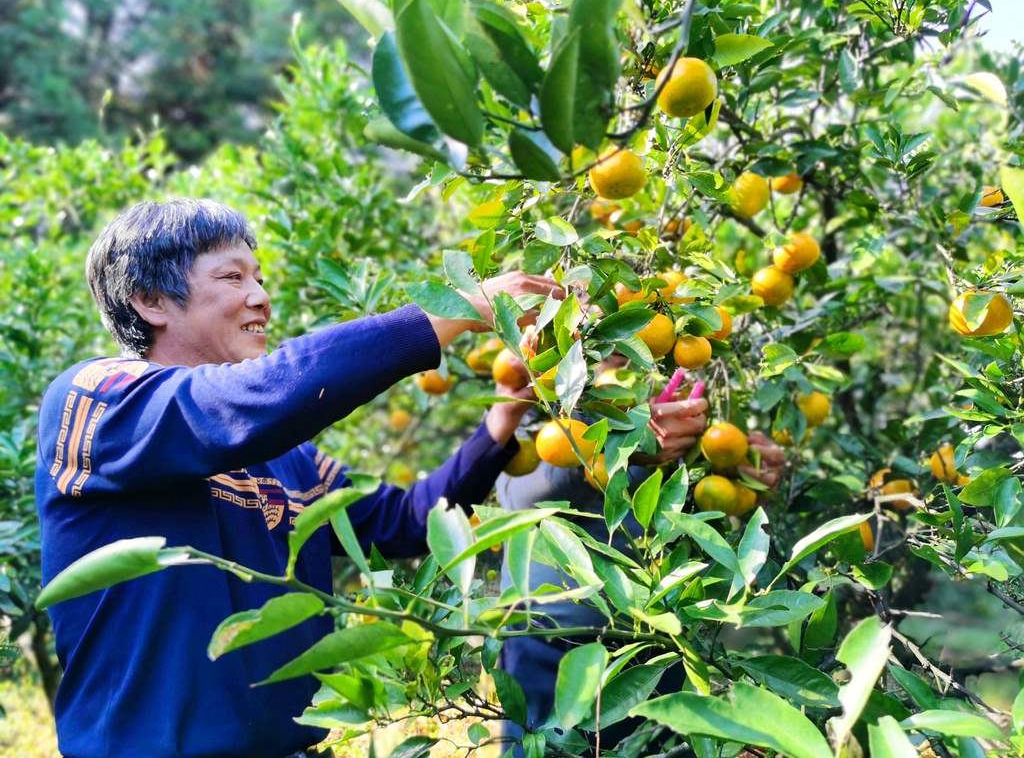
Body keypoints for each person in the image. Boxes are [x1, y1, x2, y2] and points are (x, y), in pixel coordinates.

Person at [34, 198, 562, 758]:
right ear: (152, 300)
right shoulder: (99, 402)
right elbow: (267, 393)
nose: (261, 296)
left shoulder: (289, 461)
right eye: (232, 277)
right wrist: (456, 310)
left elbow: (409, 523)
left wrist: (501, 420)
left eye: (259, 277)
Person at [496, 357, 786, 756]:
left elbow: (704, 516)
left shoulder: (677, 401)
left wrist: (751, 482)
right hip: (552, 645)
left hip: (658, 646)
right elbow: (519, 494)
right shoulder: (544, 388)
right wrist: (625, 442)